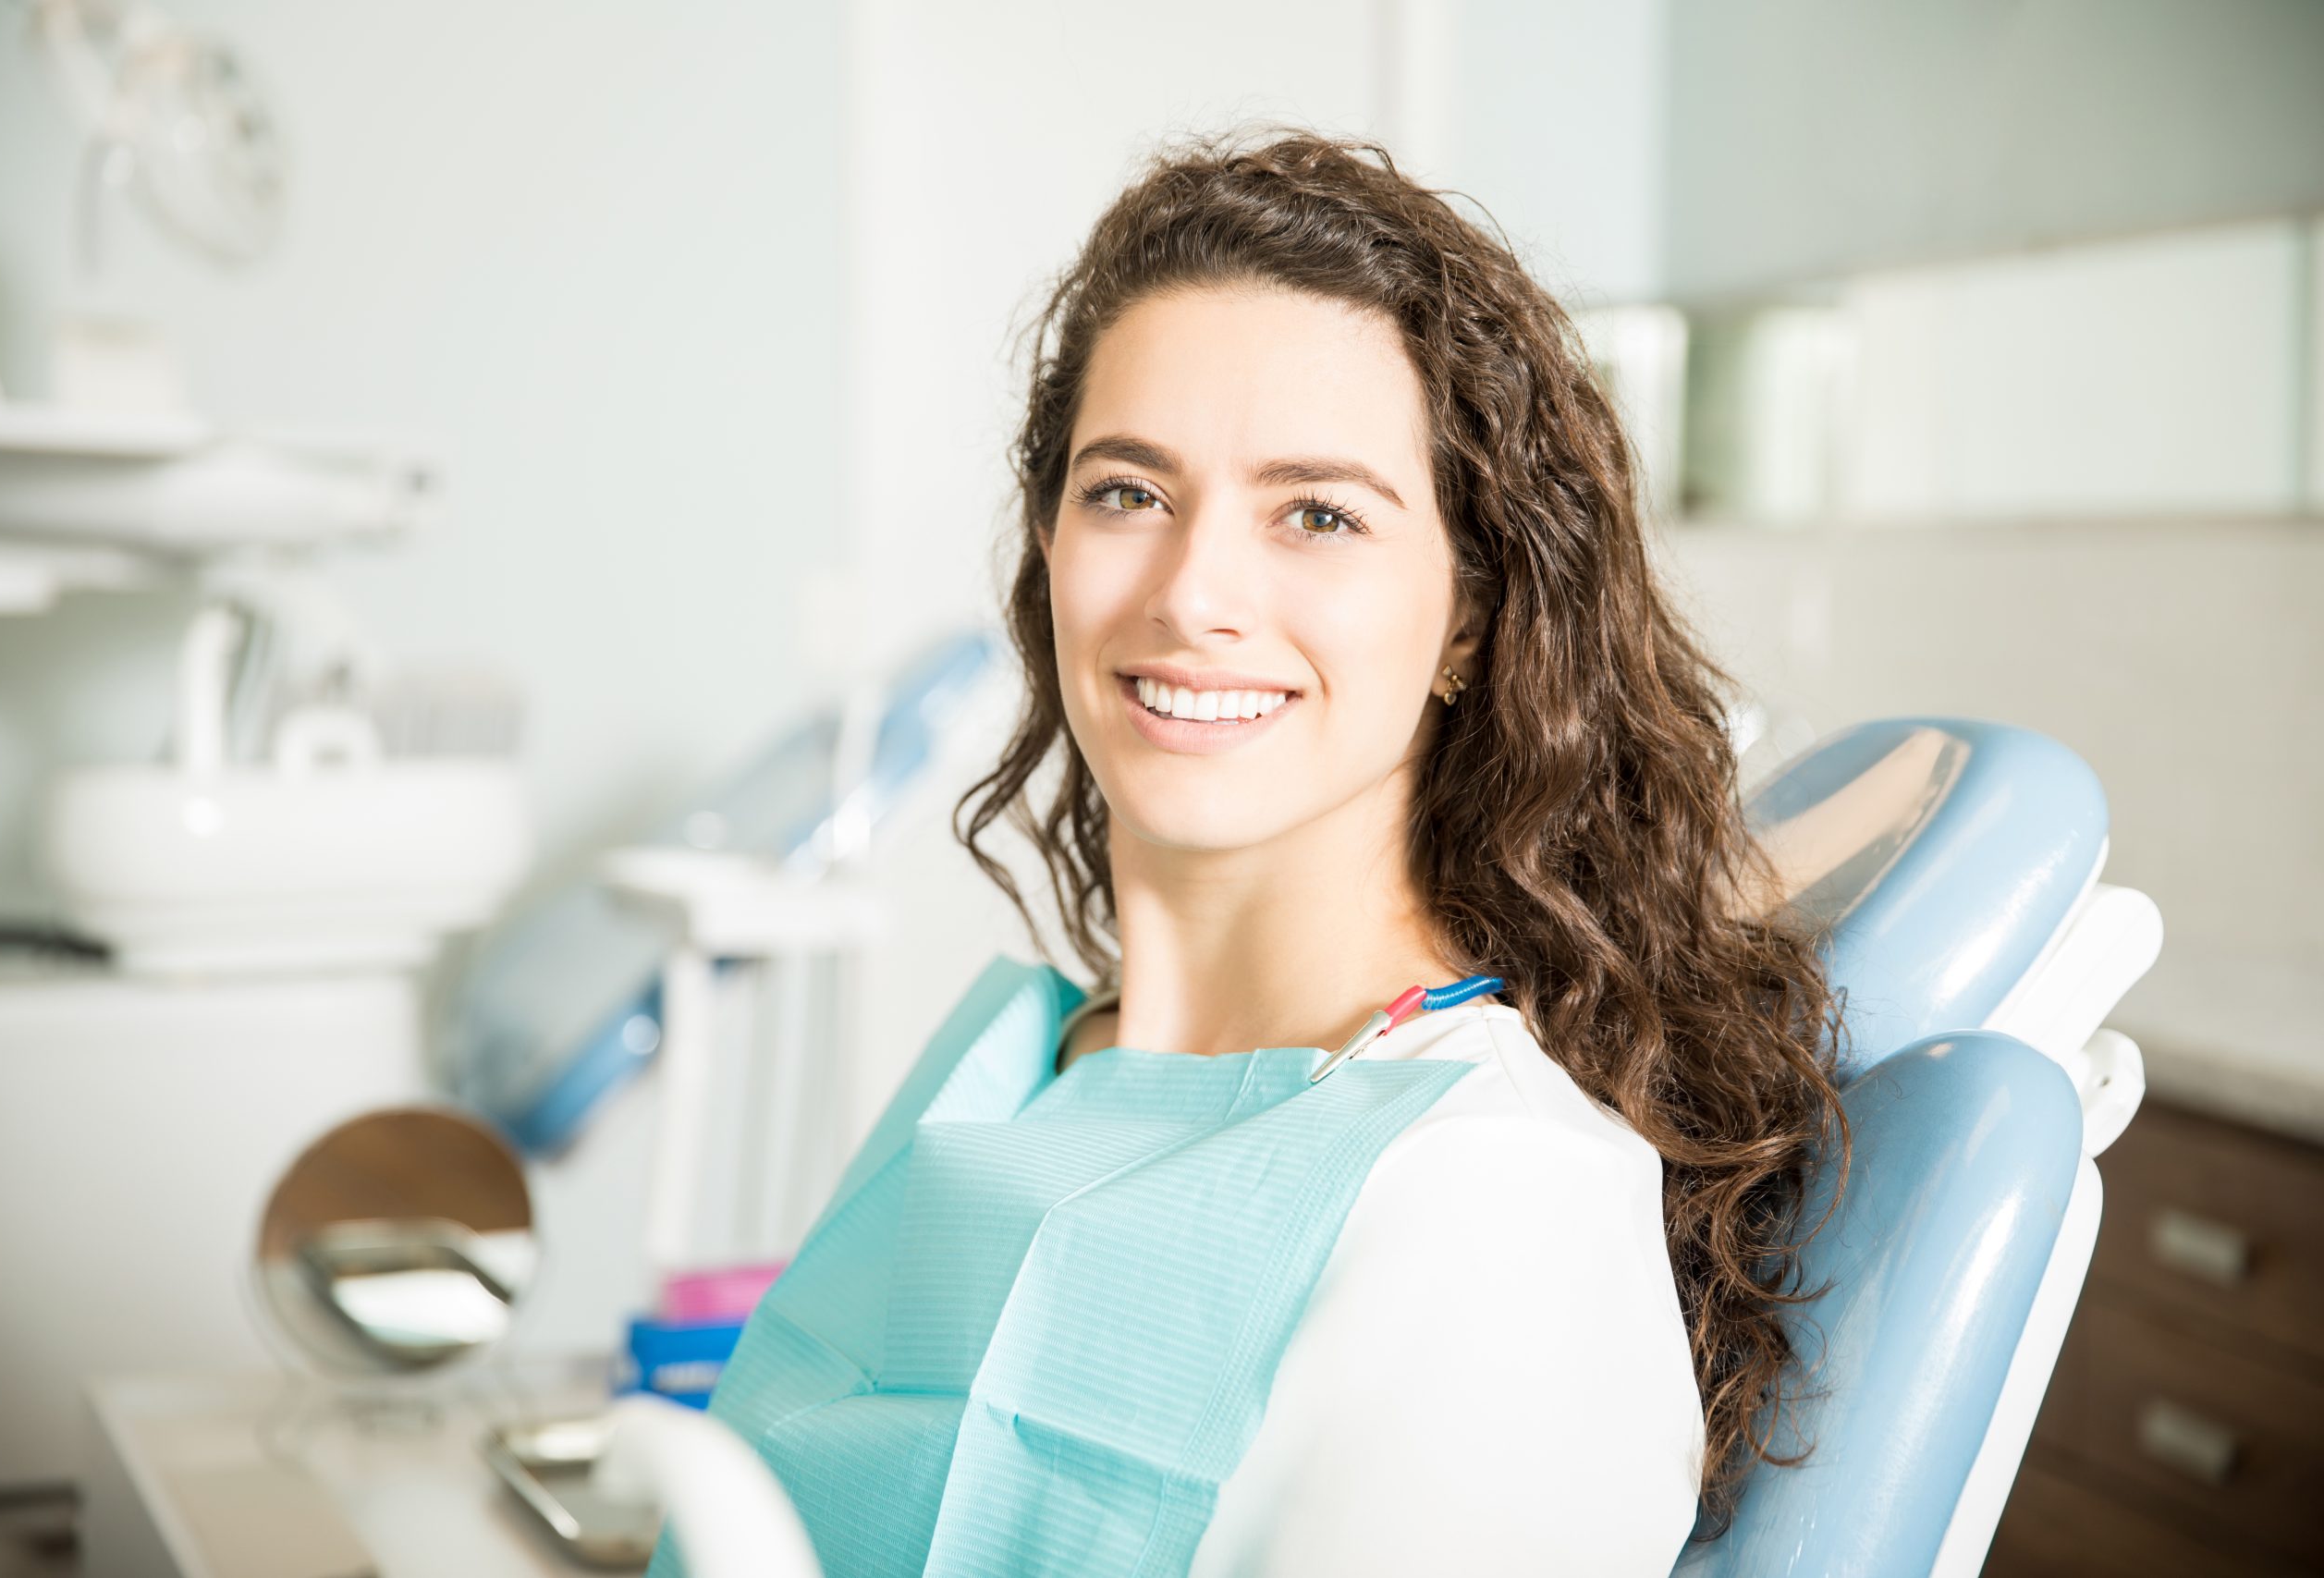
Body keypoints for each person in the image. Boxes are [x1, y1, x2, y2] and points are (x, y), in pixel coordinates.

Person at [675, 128, 1848, 1578]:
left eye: (1316, 514)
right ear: (1047, 551)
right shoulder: (1021, 1064)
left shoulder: (1482, 1199)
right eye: (1128, 493)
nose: (1194, 594)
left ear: (1469, 623)